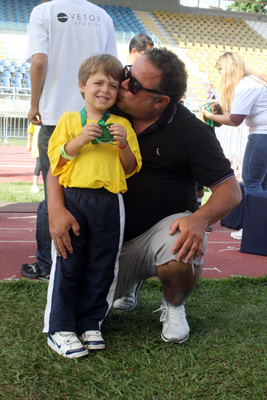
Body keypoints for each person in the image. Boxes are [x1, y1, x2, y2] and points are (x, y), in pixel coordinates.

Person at [47, 48, 241, 345]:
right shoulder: (109, 108)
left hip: (157, 235)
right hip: (109, 240)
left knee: (182, 240)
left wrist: (200, 220)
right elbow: (58, 166)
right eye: (127, 74)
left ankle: (174, 305)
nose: (120, 86)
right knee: (78, 308)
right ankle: (127, 286)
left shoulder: (193, 133)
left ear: (160, 101)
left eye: (133, 85)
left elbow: (231, 190)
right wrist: (55, 210)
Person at [44, 54, 142, 358]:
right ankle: (59, 327)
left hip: (110, 203)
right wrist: (79, 141)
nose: (105, 90)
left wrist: (124, 144)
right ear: (82, 86)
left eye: (113, 85)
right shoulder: (70, 121)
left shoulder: (122, 125)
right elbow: (56, 160)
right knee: (68, 261)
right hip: (75, 198)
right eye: (98, 82)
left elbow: (130, 168)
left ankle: (90, 321)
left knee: (102, 264)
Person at [20, 0, 118, 280]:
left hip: (54, 115)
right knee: (90, 187)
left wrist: (34, 104)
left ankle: (47, 264)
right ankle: (87, 258)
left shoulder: (44, 11)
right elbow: (113, 68)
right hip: (94, 113)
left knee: (54, 190)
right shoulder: (103, 15)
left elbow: (39, 60)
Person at [202, 52, 267, 241]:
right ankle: (259, 229)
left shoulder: (246, 84)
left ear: (229, 69)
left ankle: (251, 230)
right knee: (263, 185)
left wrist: (209, 116)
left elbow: (235, 120)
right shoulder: (257, 80)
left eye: (221, 70)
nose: (220, 75)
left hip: (261, 136)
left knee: (251, 182)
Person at [27, 122, 41, 194]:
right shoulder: (36, 117)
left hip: (49, 145)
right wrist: (29, 143)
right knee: (39, 165)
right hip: (38, 145)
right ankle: (34, 184)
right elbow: (30, 131)